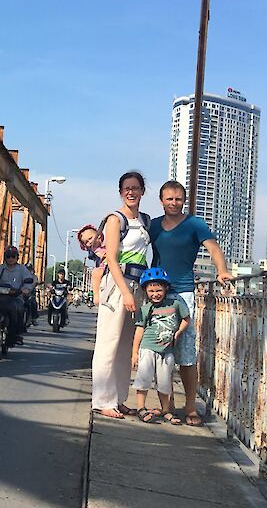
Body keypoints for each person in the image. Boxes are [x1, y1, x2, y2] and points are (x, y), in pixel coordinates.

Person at [149, 181, 234, 427]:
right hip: (158, 292)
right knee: (160, 350)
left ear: (183, 201)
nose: (173, 203)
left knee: (186, 351)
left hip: (184, 292)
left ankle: (190, 405)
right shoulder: (153, 225)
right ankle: (166, 405)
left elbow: (213, 248)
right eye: (169, 199)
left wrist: (222, 271)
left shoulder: (194, 224)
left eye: (178, 199)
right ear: (161, 200)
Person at [91, 171, 152, 420]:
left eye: (135, 188)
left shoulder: (145, 220)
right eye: (126, 188)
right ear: (120, 192)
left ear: (142, 191)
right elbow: (112, 260)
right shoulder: (115, 220)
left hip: (138, 285)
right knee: (109, 342)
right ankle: (102, 400)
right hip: (118, 285)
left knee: (126, 345)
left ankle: (118, 398)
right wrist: (125, 292)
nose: (131, 192)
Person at [130, 268, 190, 424]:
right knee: (143, 379)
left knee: (164, 383)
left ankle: (166, 410)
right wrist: (134, 353)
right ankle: (140, 408)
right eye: (151, 291)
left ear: (166, 289)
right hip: (148, 348)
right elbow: (139, 331)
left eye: (158, 290)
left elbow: (186, 319)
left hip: (167, 351)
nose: (155, 294)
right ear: (146, 291)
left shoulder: (175, 304)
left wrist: (178, 332)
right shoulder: (146, 309)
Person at [0, 247, 35, 346]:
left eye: (13, 256)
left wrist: (26, 289)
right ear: (5, 257)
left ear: (17, 257)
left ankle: (18, 334)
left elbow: (28, 281)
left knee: (20, 309)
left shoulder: (22, 269)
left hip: (15, 296)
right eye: (8, 256)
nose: (10, 258)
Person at [77, 224, 106, 306]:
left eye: (90, 238)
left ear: (99, 235)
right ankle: (96, 297)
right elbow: (105, 256)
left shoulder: (107, 241)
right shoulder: (96, 250)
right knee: (96, 273)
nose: (89, 242)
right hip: (104, 267)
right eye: (86, 242)